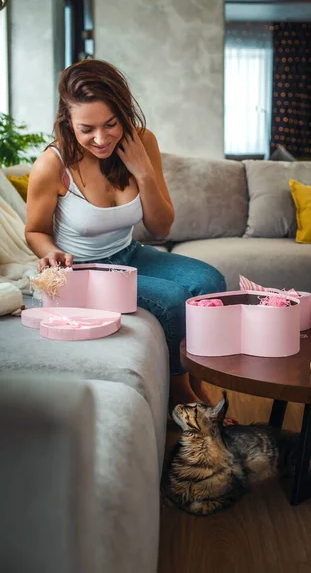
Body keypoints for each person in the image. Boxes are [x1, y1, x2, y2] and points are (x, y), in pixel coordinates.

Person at [25, 59, 227, 406]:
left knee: (210, 282)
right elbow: (35, 231)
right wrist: (49, 252)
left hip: (129, 253)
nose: (101, 139)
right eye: (86, 128)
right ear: (67, 121)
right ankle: (180, 398)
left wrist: (143, 172)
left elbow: (161, 228)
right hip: (84, 269)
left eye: (111, 124)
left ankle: (199, 383)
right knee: (172, 301)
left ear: (123, 113)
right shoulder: (53, 164)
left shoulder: (142, 142)